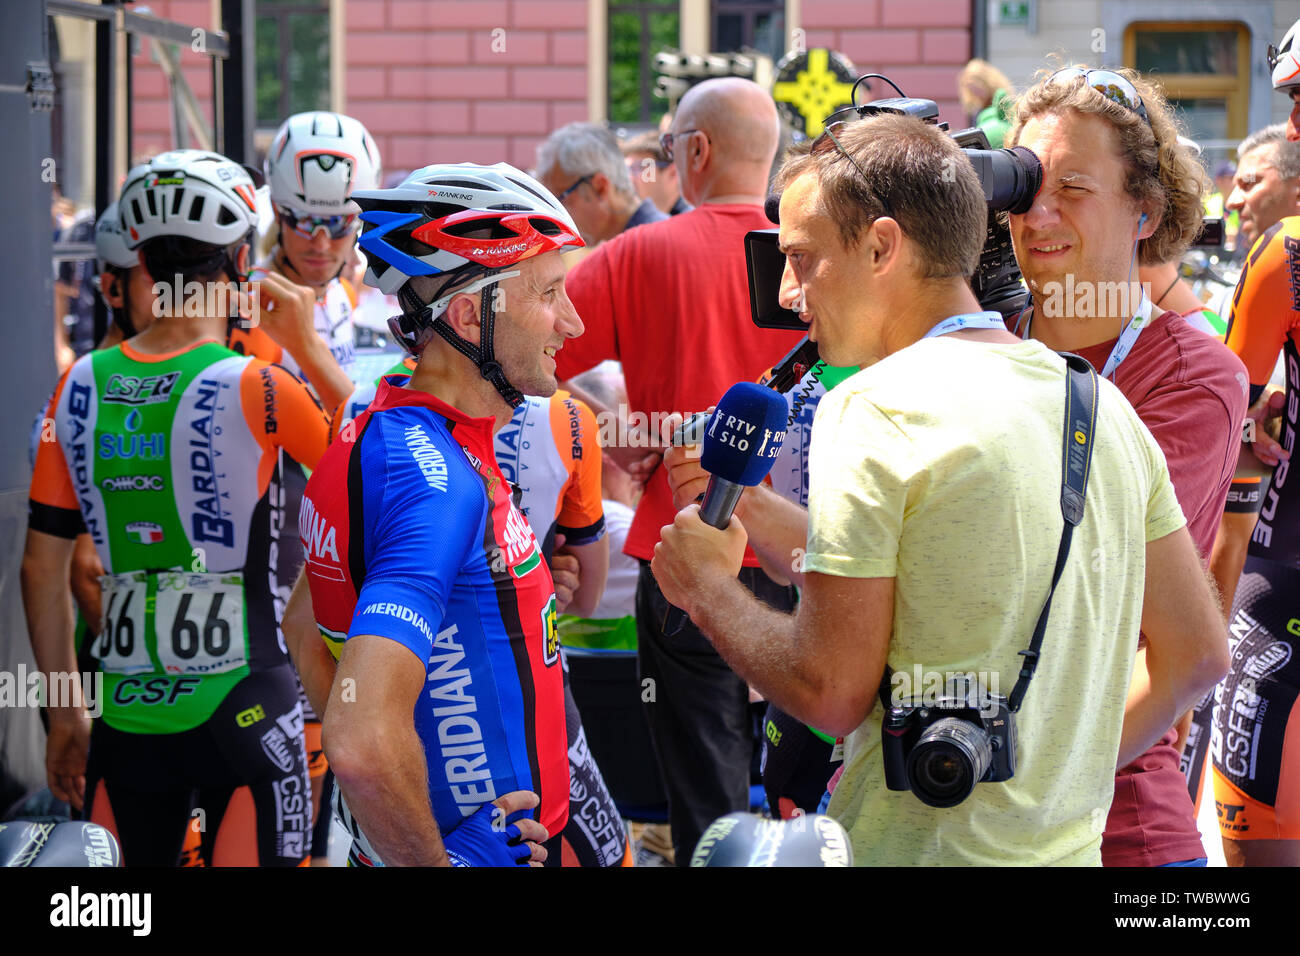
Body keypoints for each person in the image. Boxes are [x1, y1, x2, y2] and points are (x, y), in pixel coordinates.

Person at [650, 111, 1228, 866]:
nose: (789, 292)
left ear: (883, 246)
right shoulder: (1097, 400)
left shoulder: (872, 406)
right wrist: (1048, 777)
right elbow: (1199, 655)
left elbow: (829, 690)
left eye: (802, 257)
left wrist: (707, 589)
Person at [22, 149, 332, 866]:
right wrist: (309, 350)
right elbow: (378, 482)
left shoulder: (78, 388)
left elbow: (42, 568)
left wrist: (66, 711)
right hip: (249, 705)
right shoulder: (261, 385)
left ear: (145, 266)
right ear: (237, 268)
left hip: (126, 720)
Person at [294, 162, 581, 866]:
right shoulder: (435, 480)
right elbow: (359, 741)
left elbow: (304, 628)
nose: (571, 322)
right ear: (466, 313)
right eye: (549, 293)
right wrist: (435, 858)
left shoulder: (389, 430)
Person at [554, 76, 807, 864]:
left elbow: (523, 356)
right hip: (809, 550)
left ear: (695, 151)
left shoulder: (638, 253)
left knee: (706, 789)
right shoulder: (816, 256)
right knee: (815, 775)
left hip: (686, 550)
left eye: (668, 148)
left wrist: (605, 429)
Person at [1005, 66, 1249, 866]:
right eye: (1025, 185)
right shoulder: (974, 341)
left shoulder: (1192, 374)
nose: (1037, 214)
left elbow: (1086, 581)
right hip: (950, 807)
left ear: (1145, 210)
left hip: (1118, 828)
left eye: (1073, 188)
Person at [1204, 20, 1300, 866]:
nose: (1296, 123)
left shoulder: (1289, 254)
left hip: (1285, 573)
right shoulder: (1285, 254)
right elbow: (1236, 412)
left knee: (1261, 842)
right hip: (1286, 575)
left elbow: (1228, 415)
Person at [535, 122, 668, 246]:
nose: (555, 218)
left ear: (600, 188)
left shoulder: (645, 247)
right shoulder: (651, 237)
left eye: (560, 200)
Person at [621, 130, 692, 216]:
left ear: (673, 173)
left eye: (639, 168)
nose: (630, 177)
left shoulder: (693, 223)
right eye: (627, 169)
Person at [958, 59, 1014, 148]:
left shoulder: (1000, 99)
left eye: (977, 87)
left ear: (986, 82)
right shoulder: (979, 107)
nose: (975, 93)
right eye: (971, 89)